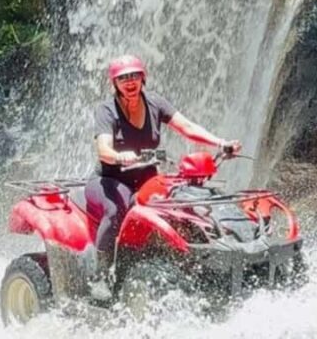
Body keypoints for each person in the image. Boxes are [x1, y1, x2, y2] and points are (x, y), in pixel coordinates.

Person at [84, 54, 241, 301]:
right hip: (111, 181)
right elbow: (103, 149)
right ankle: (102, 276)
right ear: (115, 83)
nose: (129, 82)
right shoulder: (106, 110)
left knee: (180, 206)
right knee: (117, 210)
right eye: (123, 78)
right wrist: (119, 155)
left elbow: (187, 127)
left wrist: (221, 143)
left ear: (142, 78)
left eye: (134, 75)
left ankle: (190, 265)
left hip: (147, 179)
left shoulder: (155, 103)